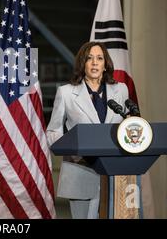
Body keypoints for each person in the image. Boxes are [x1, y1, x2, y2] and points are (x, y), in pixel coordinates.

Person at [46, 41, 128, 219]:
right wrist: (70, 147)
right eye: (89, 58)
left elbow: (126, 126)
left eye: (99, 58)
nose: (95, 63)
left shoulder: (121, 90)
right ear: (82, 64)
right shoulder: (66, 93)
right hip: (80, 171)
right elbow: (53, 131)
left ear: (106, 64)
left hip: (114, 174)